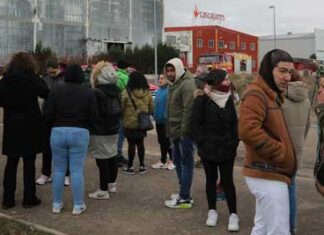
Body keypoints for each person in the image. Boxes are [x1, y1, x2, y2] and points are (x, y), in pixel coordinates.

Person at [239, 49, 296, 235]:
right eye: (282, 71)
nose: (287, 77)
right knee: (279, 230)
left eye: (290, 72)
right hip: (267, 172)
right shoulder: (257, 94)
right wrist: (280, 152)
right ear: (269, 70)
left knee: (262, 228)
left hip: (269, 173)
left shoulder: (271, 94)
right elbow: (247, 130)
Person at [43, 64, 98, 215]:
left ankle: (56, 204)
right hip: (80, 132)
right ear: (81, 76)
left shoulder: (56, 91)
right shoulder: (88, 92)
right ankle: (78, 205)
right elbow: (94, 116)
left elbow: (47, 113)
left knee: (59, 169)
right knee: (76, 170)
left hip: (58, 131)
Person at [192, 69, 239, 231]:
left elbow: (234, 123)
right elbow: (195, 124)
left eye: (228, 79)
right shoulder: (202, 100)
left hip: (227, 148)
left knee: (228, 182)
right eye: (225, 79)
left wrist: (234, 142)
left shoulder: (229, 99)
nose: (228, 82)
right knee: (210, 181)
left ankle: (233, 215)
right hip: (208, 149)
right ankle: (212, 211)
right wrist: (201, 143)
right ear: (217, 81)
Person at [0, 52, 49, 209]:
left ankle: (8, 199)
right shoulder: (32, 78)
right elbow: (45, 92)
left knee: (11, 162)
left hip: (11, 124)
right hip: (30, 124)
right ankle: (29, 198)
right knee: (29, 162)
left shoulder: (5, 80)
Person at [163, 58, 196, 209]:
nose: (170, 73)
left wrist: (184, 132)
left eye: (172, 70)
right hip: (175, 132)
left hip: (184, 133)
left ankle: (185, 198)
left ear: (179, 69)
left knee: (186, 163)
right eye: (168, 71)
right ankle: (184, 192)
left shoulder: (186, 84)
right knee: (179, 163)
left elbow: (189, 110)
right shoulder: (175, 84)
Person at [282, 70, 310, 235]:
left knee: (277, 191)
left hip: (280, 150)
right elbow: (307, 126)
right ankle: (292, 227)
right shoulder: (306, 99)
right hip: (296, 150)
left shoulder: (281, 97)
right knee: (291, 188)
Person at [88, 61, 121, 199]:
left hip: (100, 130)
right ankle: (111, 184)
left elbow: (93, 112)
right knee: (112, 156)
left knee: (101, 160)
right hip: (114, 128)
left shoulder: (97, 92)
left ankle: (103, 190)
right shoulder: (116, 90)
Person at [36, 57, 70, 186]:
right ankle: (46, 173)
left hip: (62, 117)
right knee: (46, 147)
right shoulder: (44, 79)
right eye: (49, 72)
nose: (51, 74)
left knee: (63, 147)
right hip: (47, 116)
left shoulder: (66, 78)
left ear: (58, 68)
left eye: (53, 72)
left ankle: (66, 175)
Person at [121, 71, 154, 174]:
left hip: (129, 123)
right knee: (141, 144)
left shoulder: (126, 92)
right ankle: (142, 166)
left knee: (131, 144)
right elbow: (151, 107)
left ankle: (130, 166)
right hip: (142, 123)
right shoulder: (147, 91)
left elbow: (121, 107)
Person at [151, 74, 175, 170]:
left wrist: (166, 116)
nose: (160, 80)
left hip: (166, 121)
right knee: (161, 142)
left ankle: (173, 160)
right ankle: (163, 160)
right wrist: (154, 115)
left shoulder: (170, 90)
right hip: (158, 120)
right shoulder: (158, 90)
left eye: (162, 78)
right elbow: (155, 104)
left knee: (168, 142)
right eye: (159, 78)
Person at [116, 59, 130, 167]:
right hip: (122, 109)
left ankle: (114, 154)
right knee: (121, 134)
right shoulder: (125, 77)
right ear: (126, 67)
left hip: (112, 108)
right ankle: (118, 155)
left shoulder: (114, 75)